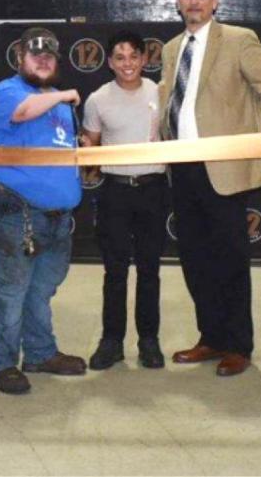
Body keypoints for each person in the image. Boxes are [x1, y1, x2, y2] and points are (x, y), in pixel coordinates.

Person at [160, 0, 261, 377]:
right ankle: (210, 337)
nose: (194, 1)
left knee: (230, 259)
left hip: (225, 168)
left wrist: (246, 139)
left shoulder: (238, 40)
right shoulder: (170, 48)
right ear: (178, 2)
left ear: (215, 1)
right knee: (195, 258)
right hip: (183, 167)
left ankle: (238, 344)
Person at [0, 27, 84, 395]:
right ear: (20, 59)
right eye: (35, 56)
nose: (43, 61)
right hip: (11, 212)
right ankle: (2, 363)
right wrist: (64, 94)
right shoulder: (8, 92)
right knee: (8, 291)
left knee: (40, 291)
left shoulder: (58, 105)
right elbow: (21, 113)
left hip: (54, 218)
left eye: (49, 57)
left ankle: (39, 353)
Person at [82, 30, 167, 371]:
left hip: (154, 188)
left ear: (145, 59)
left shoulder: (161, 92)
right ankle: (111, 341)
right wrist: (85, 149)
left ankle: (149, 341)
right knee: (115, 271)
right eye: (120, 57)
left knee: (150, 269)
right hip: (115, 190)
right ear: (109, 62)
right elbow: (91, 142)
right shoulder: (97, 99)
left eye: (134, 56)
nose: (127, 64)